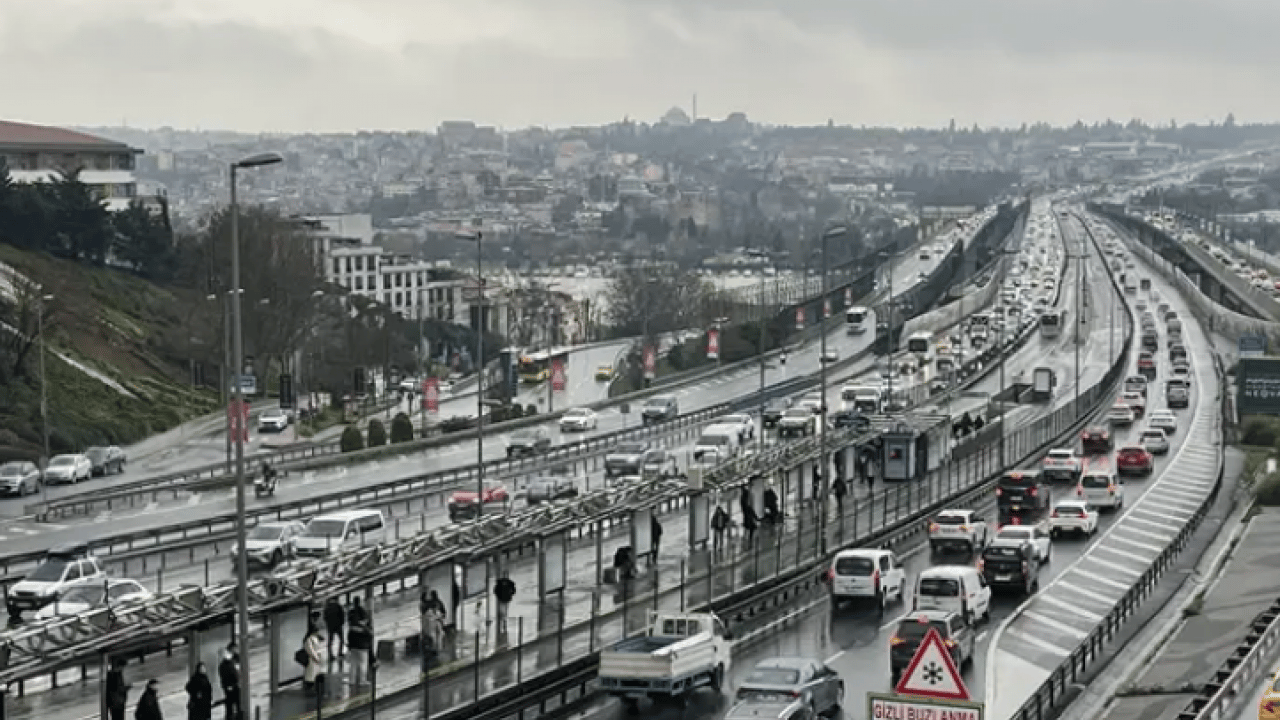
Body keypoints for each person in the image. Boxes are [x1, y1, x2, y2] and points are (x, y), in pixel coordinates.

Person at [346, 598, 373, 687]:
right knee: (363, 664)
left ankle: (351, 680)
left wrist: (349, 646)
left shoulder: (352, 627)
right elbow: (369, 636)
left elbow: (349, 636)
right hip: (362, 647)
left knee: (353, 664)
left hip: (353, 647)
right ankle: (362, 680)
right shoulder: (364, 628)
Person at [303, 625, 328, 699]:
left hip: (320, 660)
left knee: (318, 675)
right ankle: (311, 691)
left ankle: (319, 691)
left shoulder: (318, 638)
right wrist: (316, 658)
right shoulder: (309, 639)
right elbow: (310, 650)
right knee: (311, 676)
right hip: (313, 660)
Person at [217, 644, 240, 720]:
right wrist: (229, 685)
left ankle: (233, 716)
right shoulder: (225, 665)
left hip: (233, 686)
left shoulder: (233, 661)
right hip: (231, 686)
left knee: (234, 703)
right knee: (232, 704)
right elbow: (229, 675)